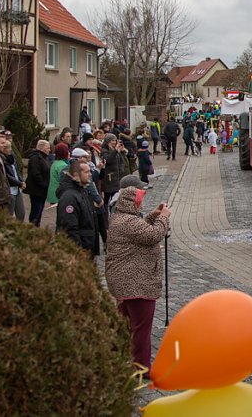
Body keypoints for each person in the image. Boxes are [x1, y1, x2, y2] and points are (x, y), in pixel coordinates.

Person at [105, 186, 170, 375]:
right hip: (136, 282)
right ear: (131, 203)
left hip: (124, 281)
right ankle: (141, 366)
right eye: (138, 201)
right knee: (141, 327)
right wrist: (164, 217)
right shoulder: (128, 222)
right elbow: (152, 235)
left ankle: (119, 358)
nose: (140, 203)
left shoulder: (121, 218)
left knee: (126, 323)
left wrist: (153, 214)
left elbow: (142, 228)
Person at [55, 160, 98, 256]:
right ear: (75, 175)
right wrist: (78, 252)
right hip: (79, 250)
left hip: (87, 245)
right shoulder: (69, 197)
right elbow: (69, 228)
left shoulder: (81, 190)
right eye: (86, 172)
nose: (90, 174)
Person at [3, 140, 26, 221]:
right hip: (10, 190)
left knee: (21, 213)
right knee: (9, 214)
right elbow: (7, 176)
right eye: (7, 148)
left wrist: (21, 180)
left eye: (10, 148)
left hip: (17, 190)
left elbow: (17, 170)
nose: (10, 150)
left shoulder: (12, 158)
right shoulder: (2, 160)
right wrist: (19, 183)